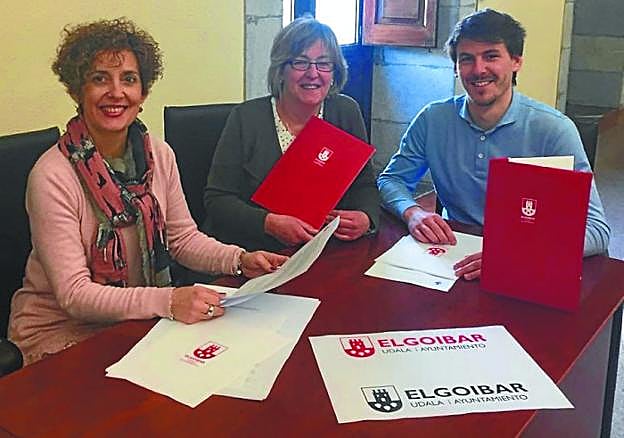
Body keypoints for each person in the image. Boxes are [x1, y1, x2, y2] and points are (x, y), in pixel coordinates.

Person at [8, 18, 287, 366]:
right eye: (100, 79)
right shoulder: (52, 175)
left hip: (133, 322)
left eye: (128, 79)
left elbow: (182, 239)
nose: (116, 92)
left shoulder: (159, 154)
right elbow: (74, 295)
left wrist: (240, 260)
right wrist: (168, 301)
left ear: (143, 93)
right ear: (77, 91)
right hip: (59, 332)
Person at [377, 8, 610, 280]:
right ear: (455, 68)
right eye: (467, 59)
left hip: (527, 262)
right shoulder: (432, 119)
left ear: (516, 61)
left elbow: (596, 229)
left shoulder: (554, 129)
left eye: (491, 56)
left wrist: (516, 254)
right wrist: (412, 212)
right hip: (455, 257)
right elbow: (391, 180)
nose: (478, 70)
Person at [202, 17, 380, 252]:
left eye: (323, 63)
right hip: (257, 253)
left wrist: (365, 217)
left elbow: (365, 184)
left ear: (334, 72)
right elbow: (217, 200)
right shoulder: (246, 118)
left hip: (326, 248)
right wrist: (268, 223)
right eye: (300, 63)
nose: (313, 73)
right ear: (281, 71)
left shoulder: (346, 111)